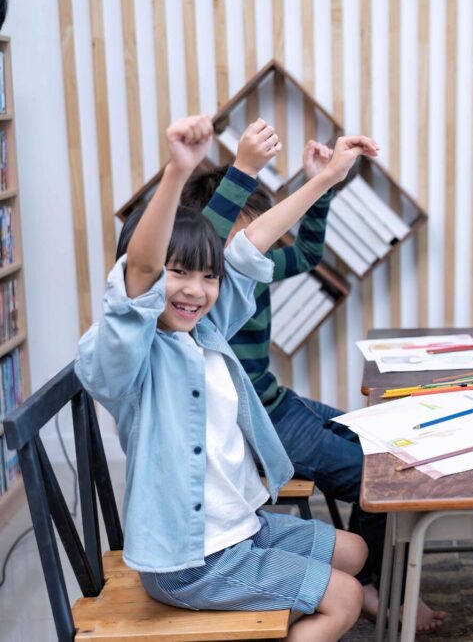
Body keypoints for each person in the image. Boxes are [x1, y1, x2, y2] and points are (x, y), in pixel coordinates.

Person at [75, 114, 378, 641]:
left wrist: (327, 179)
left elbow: (249, 246)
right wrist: (178, 171)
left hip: (240, 530)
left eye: (208, 276)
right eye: (178, 273)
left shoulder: (209, 331)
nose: (196, 290)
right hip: (191, 560)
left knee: (355, 550)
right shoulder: (130, 360)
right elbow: (140, 274)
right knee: (345, 597)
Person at [179, 121, 447, 632]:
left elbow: (307, 253)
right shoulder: (202, 298)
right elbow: (212, 245)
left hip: (278, 402)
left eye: (258, 233)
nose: (251, 247)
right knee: (376, 477)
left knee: (381, 445)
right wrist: (247, 169)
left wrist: (320, 184)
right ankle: (372, 586)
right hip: (259, 423)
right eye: (239, 237)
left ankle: (368, 573)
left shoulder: (252, 267)